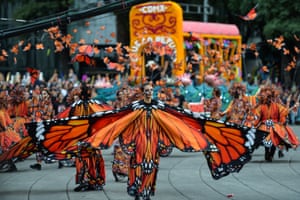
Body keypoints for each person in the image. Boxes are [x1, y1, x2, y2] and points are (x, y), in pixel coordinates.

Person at [253, 85, 300, 162]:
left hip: (275, 125)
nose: (269, 99)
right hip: (264, 125)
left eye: (270, 97)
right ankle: (267, 152)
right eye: (267, 97)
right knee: (265, 131)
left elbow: (284, 111)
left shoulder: (276, 106)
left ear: (272, 97)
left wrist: (293, 107)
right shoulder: (261, 106)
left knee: (275, 130)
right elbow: (256, 117)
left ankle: (271, 153)